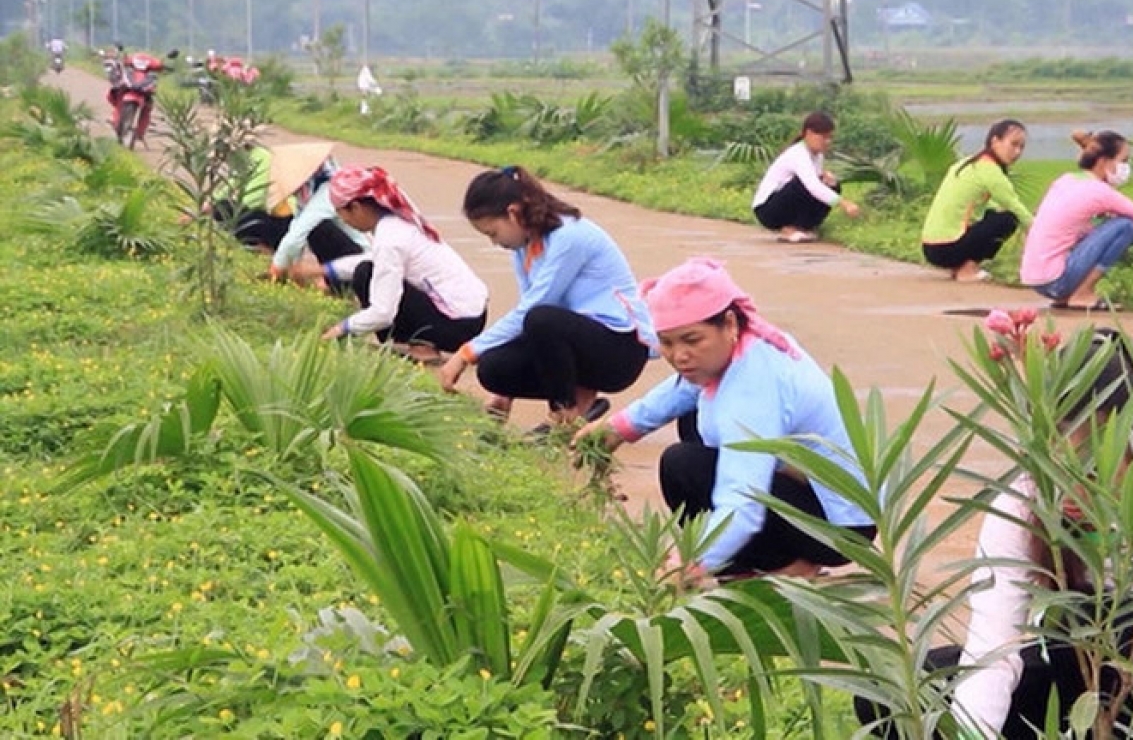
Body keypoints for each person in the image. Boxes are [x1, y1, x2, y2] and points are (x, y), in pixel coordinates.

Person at [949, 329, 1133, 739]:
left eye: (1094, 459)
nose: (1071, 483)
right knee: (926, 685)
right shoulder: (1021, 505)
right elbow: (992, 650)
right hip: (1077, 674)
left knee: (1127, 619)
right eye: (1054, 456)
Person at [573, 258, 876, 583]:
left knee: (682, 464)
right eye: (668, 342)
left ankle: (784, 565)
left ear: (729, 323)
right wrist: (619, 428)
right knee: (691, 417)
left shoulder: (752, 387)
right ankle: (753, 559)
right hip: (818, 495)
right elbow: (681, 390)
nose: (679, 356)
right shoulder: (750, 344)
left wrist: (691, 564)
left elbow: (743, 501)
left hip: (839, 526)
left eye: (692, 340)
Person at [438, 165, 654, 427]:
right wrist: (504, 394)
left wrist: (465, 353)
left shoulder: (570, 237)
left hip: (620, 349)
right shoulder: (524, 247)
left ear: (513, 213)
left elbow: (536, 309)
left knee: (541, 319)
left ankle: (564, 414)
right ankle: (582, 401)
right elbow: (525, 316)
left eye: (493, 233)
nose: (495, 242)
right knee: (494, 368)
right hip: (579, 340)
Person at [319, 166, 488, 363]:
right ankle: (417, 340)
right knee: (368, 271)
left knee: (365, 275)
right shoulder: (398, 223)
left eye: (341, 213)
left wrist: (341, 329)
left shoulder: (390, 239)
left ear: (356, 207)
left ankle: (422, 345)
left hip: (455, 324)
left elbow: (383, 312)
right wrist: (327, 271)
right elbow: (375, 260)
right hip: (472, 317)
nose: (343, 220)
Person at [1021, 130, 1133, 311]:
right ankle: (1082, 293)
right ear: (1104, 161)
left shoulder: (1065, 180)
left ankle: (1068, 295)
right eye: (1123, 161)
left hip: (1036, 280)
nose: (1125, 168)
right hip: (1056, 281)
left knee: (1101, 226)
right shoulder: (1100, 192)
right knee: (1126, 225)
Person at [921, 119, 1033, 282]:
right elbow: (1014, 206)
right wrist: (1041, 231)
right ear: (995, 141)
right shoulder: (990, 171)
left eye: (1021, 147)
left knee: (996, 214)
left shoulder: (967, 163)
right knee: (1008, 219)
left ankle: (960, 266)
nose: (1017, 152)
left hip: (931, 247)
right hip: (945, 247)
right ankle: (967, 269)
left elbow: (991, 205)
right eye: (1013, 144)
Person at [752, 111, 861, 243]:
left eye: (830, 138)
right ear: (809, 134)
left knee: (832, 185)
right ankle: (788, 229)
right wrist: (843, 203)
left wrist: (828, 180)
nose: (827, 142)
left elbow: (817, 184)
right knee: (803, 184)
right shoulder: (798, 154)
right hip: (767, 210)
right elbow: (812, 186)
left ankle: (803, 227)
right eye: (823, 137)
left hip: (784, 203)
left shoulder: (817, 155)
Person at [267, 156, 371, 290]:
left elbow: (297, 235)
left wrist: (275, 270)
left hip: (360, 261)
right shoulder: (309, 193)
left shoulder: (330, 191)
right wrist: (292, 268)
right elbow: (296, 228)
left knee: (318, 229)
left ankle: (342, 286)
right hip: (349, 260)